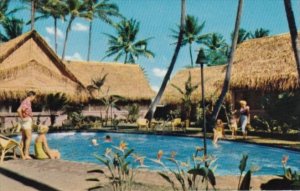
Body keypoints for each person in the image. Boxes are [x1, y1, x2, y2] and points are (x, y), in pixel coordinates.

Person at [17, 91, 36, 159]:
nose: (34, 98)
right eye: (34, 97)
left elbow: (22, 110)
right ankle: (26, 154)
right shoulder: (27, 102)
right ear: (32, 96)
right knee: (29, 137)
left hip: (25, 122)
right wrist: (23, 118)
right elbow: (19, 110)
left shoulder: (25, 101)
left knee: (24, 138)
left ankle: (22, 154)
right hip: (26, 121)